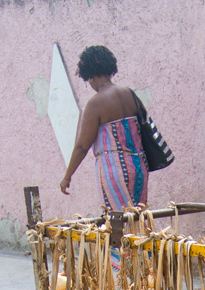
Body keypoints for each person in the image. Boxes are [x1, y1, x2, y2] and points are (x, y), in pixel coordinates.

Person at [60, 45, 148, 212]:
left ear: (90, 75)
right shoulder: (130, 94)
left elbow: (82, 146)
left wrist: (67, 176)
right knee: (138, 219)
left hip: (114, 170)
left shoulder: (96, 103)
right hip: (139, 166)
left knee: (119, 224)